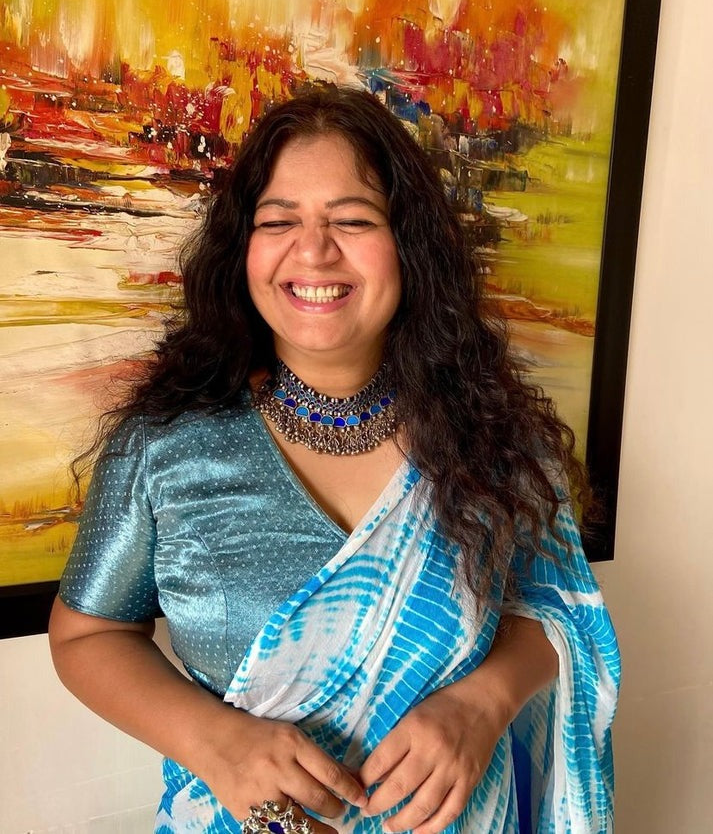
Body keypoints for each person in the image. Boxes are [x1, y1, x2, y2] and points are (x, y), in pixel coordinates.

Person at [49, 84, 620, 834]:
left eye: (352, 219)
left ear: (408, 246)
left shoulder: (494, 438)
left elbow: (555, 612)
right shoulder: (164, 446)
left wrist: (483, 703)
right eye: (278, 220)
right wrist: (218, 744)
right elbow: (88, 634)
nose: (314, 250)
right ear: (243, 250)